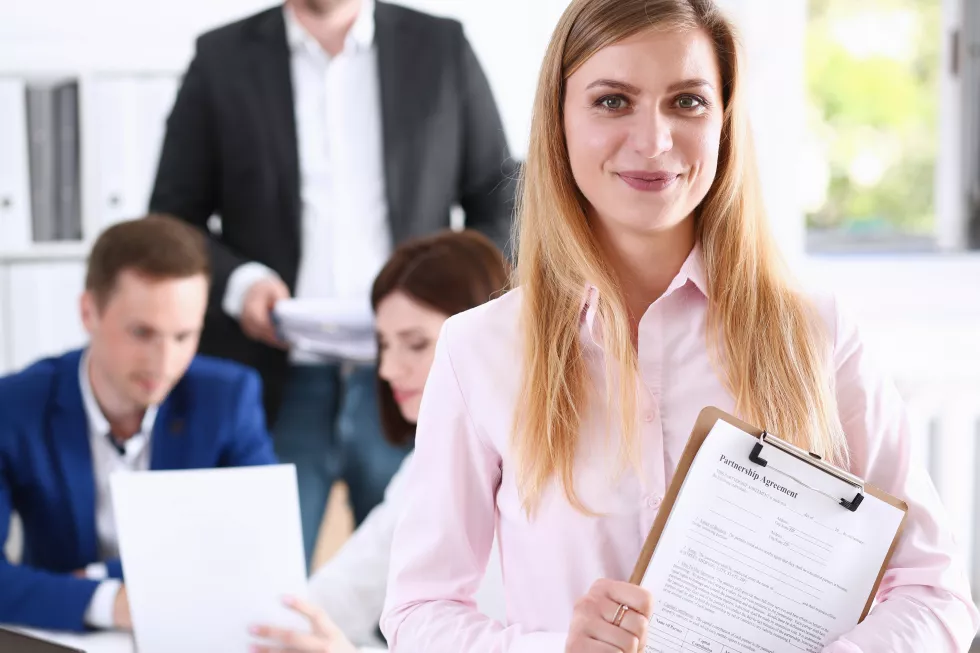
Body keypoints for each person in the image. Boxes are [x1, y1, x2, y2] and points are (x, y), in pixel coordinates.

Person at [380, 1, 980, 652]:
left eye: (687, 102)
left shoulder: (818, 335)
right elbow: (419, 610)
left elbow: (935, 590)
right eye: (613, 101)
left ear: (725, 118)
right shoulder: (480, 350)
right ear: (558, 121)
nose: (654, 141)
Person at [149, 0, 518, 566]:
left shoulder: (441, 46)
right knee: (267, 583)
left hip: (413, 375)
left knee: (426, 579)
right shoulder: (220, 57)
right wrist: (241, 282)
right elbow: (172, 220)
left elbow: (503, 204)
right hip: (277, 377)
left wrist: (448, 303)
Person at [0, 216, 277, 633]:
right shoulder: (15, 405)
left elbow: (261, 551)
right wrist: (113, 602)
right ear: (88, 312)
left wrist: (96, 578)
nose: (164, 363)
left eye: (184, 336)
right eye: (142, 333)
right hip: (65, 635)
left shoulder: (228, 398)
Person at [247, 230, 509, 653]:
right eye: (383, 345)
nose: (387, 369)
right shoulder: (423, 467)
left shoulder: (542, 473)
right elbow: (343, 593)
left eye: (416, 344)